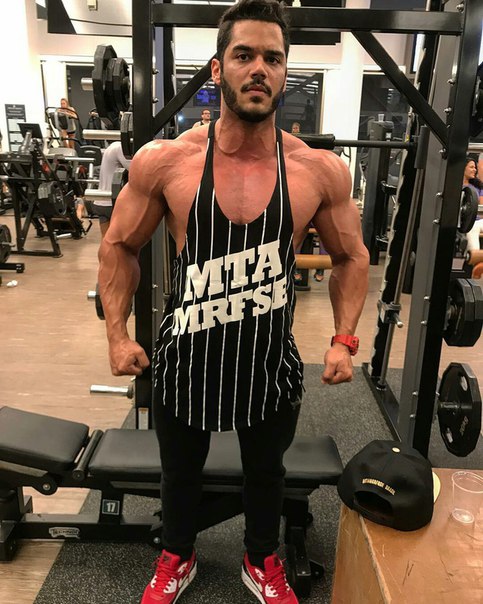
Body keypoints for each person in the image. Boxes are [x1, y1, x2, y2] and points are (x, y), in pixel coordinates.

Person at [98, 1, 369, 602]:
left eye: (273, 58)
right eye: (244, 55)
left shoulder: (317, 171)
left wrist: (344, 339)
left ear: (285, 72)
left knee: (266, 472)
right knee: (179, 473)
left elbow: (353, 257)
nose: (259, 69)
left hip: (269, 360)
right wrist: (117, 335)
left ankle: (261, 558)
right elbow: (118, 246)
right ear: (218, 69)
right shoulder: (168, 161)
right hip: (184, 358)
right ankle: (177, 555)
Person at [91, 141, 131, 238]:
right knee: (119, 240)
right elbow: (135, 169)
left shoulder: (111, 147)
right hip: (112, 204)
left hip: (101, 203)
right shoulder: (120, 148)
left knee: (106, 240)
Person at [463, 156, 483, 251]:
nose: (475, 170)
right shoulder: (455, 186)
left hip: (478, 220)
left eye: (475, 167)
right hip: (463, 221)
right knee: (471, 227)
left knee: (473, 226)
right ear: (463, 168)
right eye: (471, 167)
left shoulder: (478, 187)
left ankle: (475, 256)